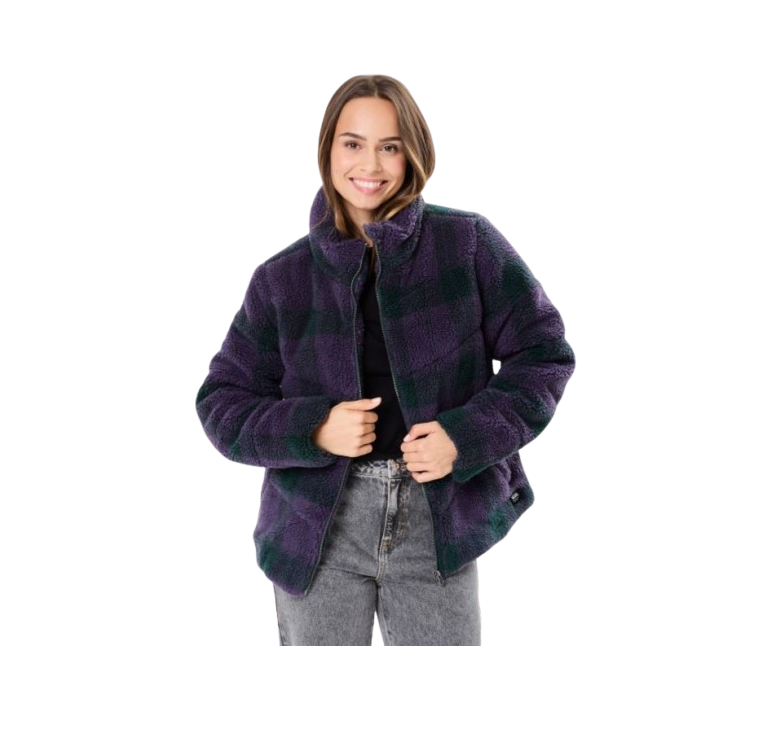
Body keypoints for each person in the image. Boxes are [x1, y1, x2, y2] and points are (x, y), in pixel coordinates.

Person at [194, 73, 577, 645]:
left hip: (439, 518)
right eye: (353, 143)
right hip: (316, 528)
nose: (369, 164)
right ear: (328, 150)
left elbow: (544, 355)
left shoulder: (467, 243)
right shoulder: (281, 278)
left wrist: (463, 436)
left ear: (412, 153)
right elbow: (220, 404)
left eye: (389, 146)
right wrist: (314, 428)